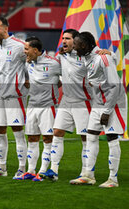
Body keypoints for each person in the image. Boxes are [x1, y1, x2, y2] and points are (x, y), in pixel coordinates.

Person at [71, 31, 127, 188]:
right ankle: (89, 175)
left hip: (113, 103)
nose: (74, 48)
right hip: (98, 103)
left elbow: (115, 86)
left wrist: (107, 111)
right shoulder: (87, 57)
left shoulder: (103, 58)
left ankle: (113, 179)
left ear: (84, 45)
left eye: (76, 45)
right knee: (91, 136)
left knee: (112, 137)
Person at [44, 29, 91, 181]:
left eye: (68, 38)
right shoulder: (61, 56)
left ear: (76, 41)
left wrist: (107, 53)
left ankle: (86, 172)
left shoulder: (87, 57)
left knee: (86, 138)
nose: (64, 41)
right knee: (57, 132)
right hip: (66, 101)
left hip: (83, 102)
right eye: (63, 38)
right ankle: (54, 170)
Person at [15, 36, 61, 181]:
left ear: (35, 50)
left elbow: (64, 79)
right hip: (32, 106)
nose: (24, 52)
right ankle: (30, 170)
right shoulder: (28, 63)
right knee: (32, 139)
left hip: (48, 107)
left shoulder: (54, 63)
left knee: (48, 139)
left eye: (26, 49)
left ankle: (42, 171)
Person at [0, 17, 28, 178]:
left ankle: (22, 168)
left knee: (17, 131)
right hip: (0, 95)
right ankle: (2, 168)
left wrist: (28, 80)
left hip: (15, 96)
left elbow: (32, 62)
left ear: (6, 29)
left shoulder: (20, 46)